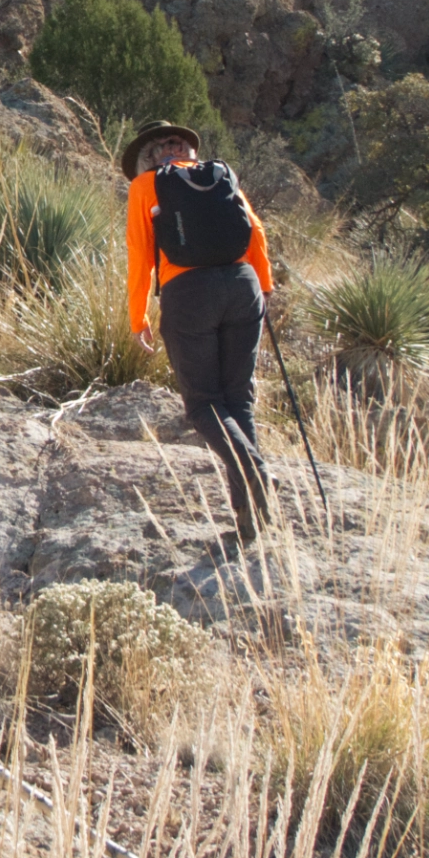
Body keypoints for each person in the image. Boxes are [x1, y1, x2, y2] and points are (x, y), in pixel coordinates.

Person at [122, 120, 275, 543]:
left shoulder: (145, 186)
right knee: (237, 398)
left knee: (203, 404)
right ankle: (251, 522)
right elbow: (255, 232)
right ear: (187, 151)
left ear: (151, 156)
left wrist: (139, 317)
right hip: (242, 286)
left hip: (188, 292)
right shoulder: (219, 175)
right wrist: (263, 286)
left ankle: (253, 470)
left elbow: (140, 253)